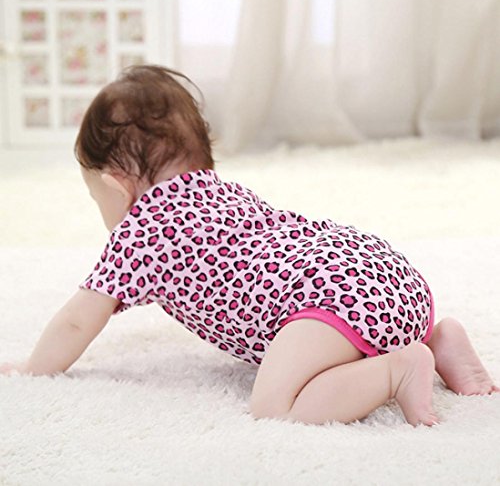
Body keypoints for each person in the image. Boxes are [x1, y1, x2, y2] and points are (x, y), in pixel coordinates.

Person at [1, 65, 498, 427]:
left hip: (326, 299)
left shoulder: (141, 229)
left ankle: (398, 369)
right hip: (386, 274)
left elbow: (77, 320)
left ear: (115, 186)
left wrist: (34, 367)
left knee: (275, 406)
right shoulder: (226, 193)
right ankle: (436, 337)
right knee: (346, 337)